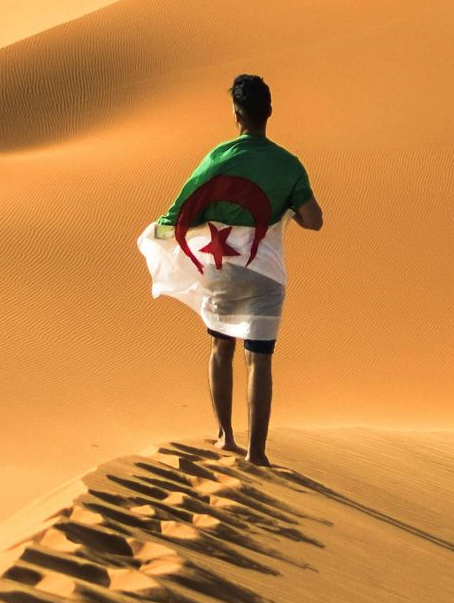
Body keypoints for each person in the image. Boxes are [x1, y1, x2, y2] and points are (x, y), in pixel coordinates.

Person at [136, 72, 323, 466]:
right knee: (260, 358)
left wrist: (163, 231)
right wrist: (289, 208)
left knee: (221, 347)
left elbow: (183, 207)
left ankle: (225, 436)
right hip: (266, 273)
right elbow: (315, 219)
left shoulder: (219, 157)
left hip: (221, 269)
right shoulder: (289, 165)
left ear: (236, 114)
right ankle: (257, 453)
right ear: (269, 112)